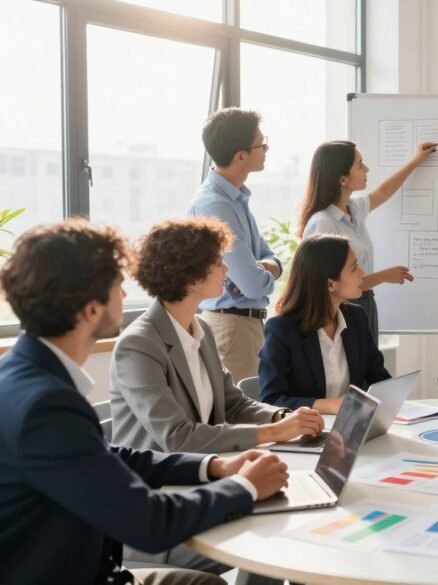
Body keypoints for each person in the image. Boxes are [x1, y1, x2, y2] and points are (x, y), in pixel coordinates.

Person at [0, 219, 289, 585]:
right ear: (90, 309)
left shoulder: (26, 376)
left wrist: (215, 467)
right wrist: (245, 487)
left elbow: (111, 456)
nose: (125, 296)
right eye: (119, 287)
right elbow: (149, 522)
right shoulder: (45, 403)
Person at [110, 217, 324, 455]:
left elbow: (233, 403)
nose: (226, 268)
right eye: (218, 261)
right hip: (155, 482)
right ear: (191, 277)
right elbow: (177, 437)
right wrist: (275, 432)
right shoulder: (138, 345)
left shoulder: (201, 328)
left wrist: (282, 417)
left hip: (203, 466)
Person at [297, 139, 437, 342]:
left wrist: (415, 161)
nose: (367, 169)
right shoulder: (323, 224)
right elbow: (328, 285)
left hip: (365, 303)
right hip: (341, 310)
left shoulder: (354, 208)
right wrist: (382, 276)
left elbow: (382, 192)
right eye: (360, 165)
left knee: (368, 368)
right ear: (342, 179)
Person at [187, 107, 282, 382]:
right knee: (238, 419)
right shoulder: (216, 205)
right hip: (233, 327)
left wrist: (267, 267)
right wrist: (262, 271)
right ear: (241, 155)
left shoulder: (234, 199)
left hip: (243, 325)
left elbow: (269, 257)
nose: (266, 149)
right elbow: (251, 285)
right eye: (262, 144)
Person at [259, 234, 390, 414]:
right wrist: (330, 405)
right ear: (330, 284)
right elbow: (271, 400)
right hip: (306, 434)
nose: (362, 273)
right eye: (354, 268)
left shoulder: (356, 318)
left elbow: (379, 378)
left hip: (352, 428)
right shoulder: (281, 329)